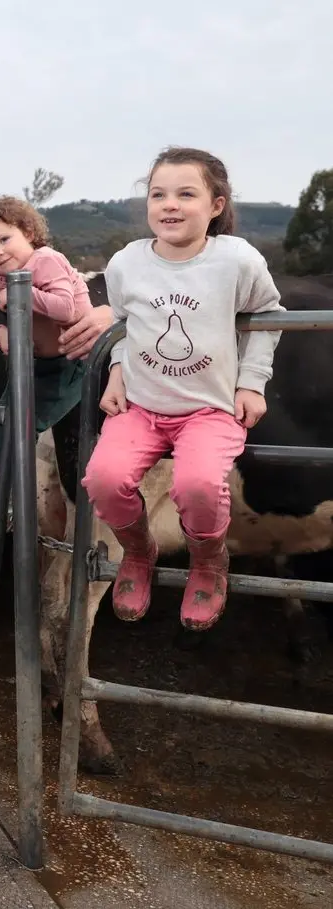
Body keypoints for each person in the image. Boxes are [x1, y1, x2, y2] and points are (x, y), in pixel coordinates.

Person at [81, 146, 284, 632]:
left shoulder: (236, 260)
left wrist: (252, 382)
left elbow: (270, 317)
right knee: (103, 480)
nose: (169, 205)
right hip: (143, 407)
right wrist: (115, 371)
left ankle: (209, 562)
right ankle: (138, 552)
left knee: (196, 486)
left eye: (186, 194)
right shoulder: (127, 263)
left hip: (209, 410)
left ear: (215, 206)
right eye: (158, 194)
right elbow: (122, 327)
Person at [0, 195, 95, 515]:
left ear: (28, 232)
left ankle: (10, 497)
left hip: (70, 364)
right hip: (32, 365)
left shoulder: (46, 260)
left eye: (4, 239)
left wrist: (19, 291)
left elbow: (65, 306)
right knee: (2, 418)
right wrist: (0, 333)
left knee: (21, 422)